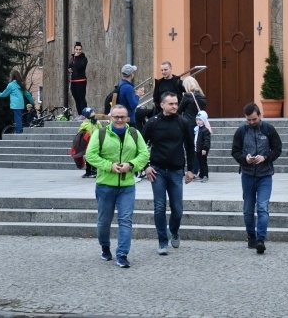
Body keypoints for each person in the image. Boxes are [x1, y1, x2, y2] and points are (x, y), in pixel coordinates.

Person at [84, 104, 150, 268]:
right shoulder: (100, 134)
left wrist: (131, 165)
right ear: (110, 118)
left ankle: (122, 254)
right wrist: (109, 166)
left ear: (127, 118)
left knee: (125, 220)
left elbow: (144, 154)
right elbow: (90, 155)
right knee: (104, 221)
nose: (119, 120)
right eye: (116, 117)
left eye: (123, 117)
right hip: (105, 185)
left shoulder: (134, 134)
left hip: (127, 185)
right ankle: (105, 246)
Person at [143, 92, 195, 255]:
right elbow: (140, 145)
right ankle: (162, 241)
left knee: (177, 208)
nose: (174, 106)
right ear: (162, 105)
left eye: (176, 103)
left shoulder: (183, 122)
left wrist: (191, 170)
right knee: (159, 207)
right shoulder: (152, 123)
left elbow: (189, 147)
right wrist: (146, 166)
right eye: (171, 104)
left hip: (175, 171)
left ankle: (174, 230)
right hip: (157, 171)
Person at [231, 102, 282, 254]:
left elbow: (277, 149)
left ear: (260, 115)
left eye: (254, 119)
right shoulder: (241, 131)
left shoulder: (268, 129)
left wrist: (266, 157)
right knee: (248, 209)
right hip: (247, 175)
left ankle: (261, 239)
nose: (252, 122)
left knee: (262, 207)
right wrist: (244, 159)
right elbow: (235, 152)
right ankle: (251, 236)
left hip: (265, 175)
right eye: (249, 120)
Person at [77, 107, 100, 178]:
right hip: (88, 143)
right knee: (88, 157)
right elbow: (80, 133)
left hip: (96, 142)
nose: (93, 113)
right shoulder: (85, 124)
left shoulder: (97, 122)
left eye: (93, 111)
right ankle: (88, 171)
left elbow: (101, 130)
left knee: (95, 156)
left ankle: (94, 171)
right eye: (91, 112)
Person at [68, 41, 88, 114]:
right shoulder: (72, 58)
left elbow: (80, 66)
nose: (78, 51)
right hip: (73, 81)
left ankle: (85, 114)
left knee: (81, 98)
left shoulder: (83, 58)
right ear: (74, 50)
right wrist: (69, 70)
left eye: (79, 49)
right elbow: (70, 66)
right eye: (77, 49)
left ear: (81, 50)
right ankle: (80, 114)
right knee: (76, 99)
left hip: (81, 81)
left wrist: (76, 58)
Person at [194, 110, 212, 183]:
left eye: (200, 120)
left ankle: (205, 175)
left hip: (203, 149)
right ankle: (201, 175)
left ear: (204, 120)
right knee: (200, 162)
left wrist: (204, 148)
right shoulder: (197, 129)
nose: (198, 121)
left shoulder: (205, 130)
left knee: (203, 162)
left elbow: (206, 140)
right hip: (198, 148)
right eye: (197, 120)